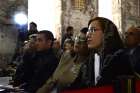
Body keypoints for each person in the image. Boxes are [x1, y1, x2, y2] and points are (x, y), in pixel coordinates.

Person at [86, 17, 134, 86]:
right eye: (88, 30)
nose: (88, 35)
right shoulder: (90, 59)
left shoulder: (119, 58)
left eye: (93, 30)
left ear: (106, 33)